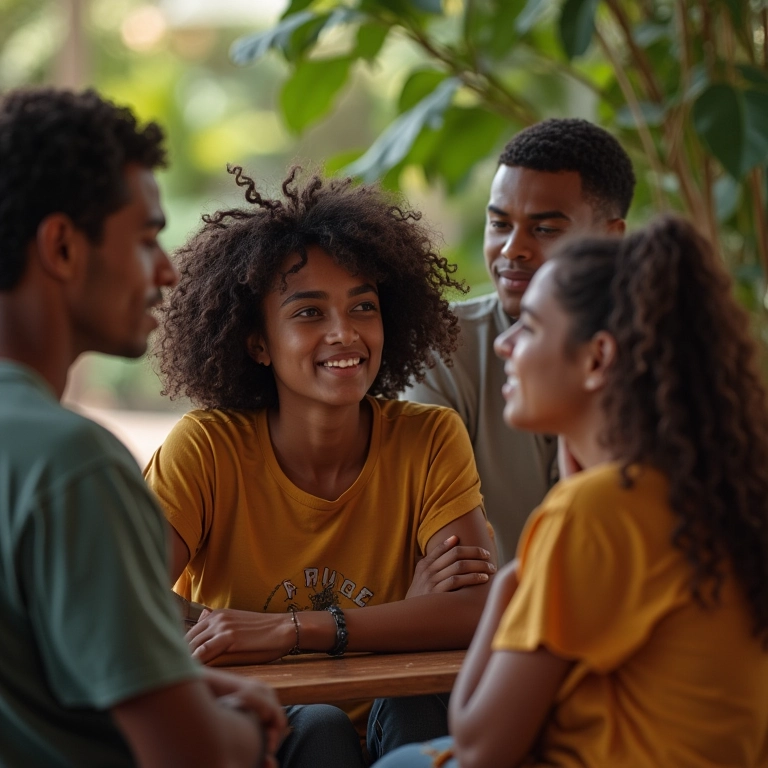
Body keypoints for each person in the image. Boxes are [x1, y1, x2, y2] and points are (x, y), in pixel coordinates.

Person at [376, 215, 768, 767]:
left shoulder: (595, 510)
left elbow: (479, 743)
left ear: (596, 358)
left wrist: (516, 578)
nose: (506, 345)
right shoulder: (712, 492)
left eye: (530, 327)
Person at [143, 166, 497, 767]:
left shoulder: (428, 437)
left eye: (363, 307)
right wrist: (408, 616)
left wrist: (291, 630)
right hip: (279, 736)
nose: (345, 333)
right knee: (320, 729)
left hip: (400, 724)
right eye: (309, 314)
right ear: (257, 342)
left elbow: (472, 613)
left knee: (419, 707)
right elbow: (130, 596)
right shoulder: (205, 450)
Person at [0, 87, 287, 768]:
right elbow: (190, 758)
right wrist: (250, 731)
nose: (166, 269)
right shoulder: (72, 467)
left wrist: (180, 687)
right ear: (63, 247)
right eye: (147, 238)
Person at [404, 118, 635, 562]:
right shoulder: (443, 344)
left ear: (611, 239)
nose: (512, 249)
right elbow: (444, 560)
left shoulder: (662, 356)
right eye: (499, 224)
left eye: (545, 229)